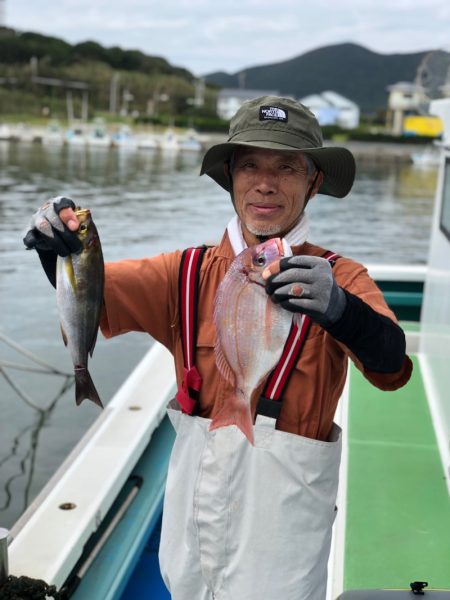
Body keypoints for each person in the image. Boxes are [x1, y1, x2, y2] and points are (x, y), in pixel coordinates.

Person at [24, 96, 412, 600]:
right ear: (230, 176)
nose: (266, 182)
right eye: (250, 164)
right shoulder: (183, 273)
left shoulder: (341, 277)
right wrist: (61, 247)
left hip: (285, 525)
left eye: (288, 166)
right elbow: (89, 301)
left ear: (314, 180)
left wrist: (342, 310)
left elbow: (391, 368)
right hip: (191, 513)